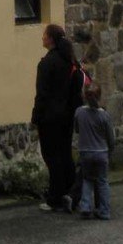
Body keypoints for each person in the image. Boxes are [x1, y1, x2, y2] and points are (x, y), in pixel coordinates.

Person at [31, 23, 83, 212]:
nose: (42, 38)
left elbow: (42, 94)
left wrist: (36, 116)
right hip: (67, 115)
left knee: (52, 156)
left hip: (50, 117)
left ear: (51, 39)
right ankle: (71, 191)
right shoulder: (70, 61)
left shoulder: (46, 64)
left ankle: (55, 196)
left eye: (45, 35)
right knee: (65, 154)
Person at [73, 85, 116, 220]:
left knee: (87, 179)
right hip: (101, 152)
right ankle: (104, 210)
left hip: (85, 151)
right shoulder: (104, 115)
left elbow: (77, 129)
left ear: (85, 96)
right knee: (102, 181)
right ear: (99, 96)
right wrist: (110, 150)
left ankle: (85, 206)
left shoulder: (79, 112)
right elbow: (111, 137)